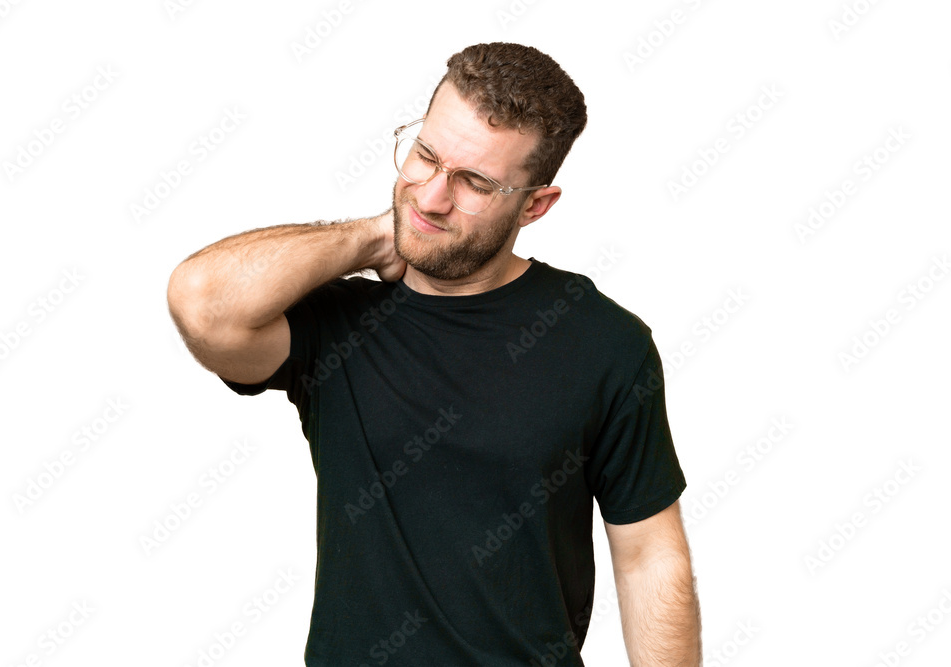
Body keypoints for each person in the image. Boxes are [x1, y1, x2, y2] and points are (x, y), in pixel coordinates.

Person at [167, 41, 700, 667]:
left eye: (474, 182)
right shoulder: (339, 325)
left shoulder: (604, 343)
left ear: (535, 205)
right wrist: (374, 236)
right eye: (425, 156)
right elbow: (203, 306)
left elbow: (649, 558)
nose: (431, 198)